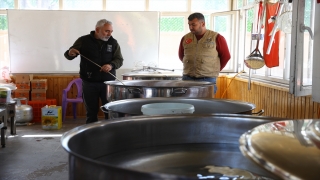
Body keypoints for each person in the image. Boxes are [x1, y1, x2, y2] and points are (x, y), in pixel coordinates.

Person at [64, 19, 124, 124]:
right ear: (97, 29)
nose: (109, 34)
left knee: (109, 111)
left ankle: (110, 135)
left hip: (108, 83)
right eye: (107, 31)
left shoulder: (113, 42)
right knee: (91, 112)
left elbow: (119, 60)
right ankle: (91, 136)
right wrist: (71, 52)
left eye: (111, 31)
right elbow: (69, 54)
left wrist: (111, 65)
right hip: (89, 83)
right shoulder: (83, 40)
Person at [178, 12, 231, 96]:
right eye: (189, 25)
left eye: (193, 24)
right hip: (187, 79)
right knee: (187, 105)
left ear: (202, 23)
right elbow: (181, 56)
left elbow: (226, 56)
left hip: (207, 80)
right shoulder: (185, 38)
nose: (191, 27)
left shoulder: (217, 38)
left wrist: (213, 69)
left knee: (205, 106)